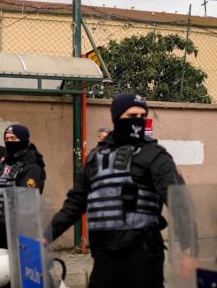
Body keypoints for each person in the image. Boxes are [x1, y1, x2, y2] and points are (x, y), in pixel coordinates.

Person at [50, 93, 185, 288]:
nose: (137, 121)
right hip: (104, 257)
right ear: (116, 117)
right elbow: (74, 204)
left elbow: (180, 202)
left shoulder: (155, 155)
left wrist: (190, 250)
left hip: (143, 257)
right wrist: (45, 236)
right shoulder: (96, 158)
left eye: (142, 115)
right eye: (131, 116)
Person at [0, 124, 46, 249]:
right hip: (5, 230)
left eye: (13, 138)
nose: (9, 142)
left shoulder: (32, 166)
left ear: (23, 140)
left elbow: (23, 203)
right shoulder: (9, 164)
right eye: (6, 139)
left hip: (23, 232)